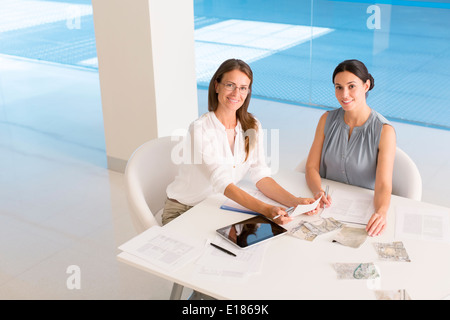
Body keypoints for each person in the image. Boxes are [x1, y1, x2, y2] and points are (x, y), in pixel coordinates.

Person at [163, 58, 318, 225]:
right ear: (217, 86)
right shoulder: (200, 129)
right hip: (185, 210)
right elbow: (222, 182)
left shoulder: (252, 125)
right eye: (230, 85)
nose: (236, 94)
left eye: (243, 88)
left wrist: (295, 202)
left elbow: (261, 176)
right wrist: (267, 209)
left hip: (216, 205)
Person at [305, 59, 396, 237]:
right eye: (339, 87)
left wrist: (381, 212)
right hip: (326, 209)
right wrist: (318, 191)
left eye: (351, 86)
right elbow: (311, 167)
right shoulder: (326, 119)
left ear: (366, 86)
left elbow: (384, 185)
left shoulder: (384, 131)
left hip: (361, 212)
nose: (344, 95)